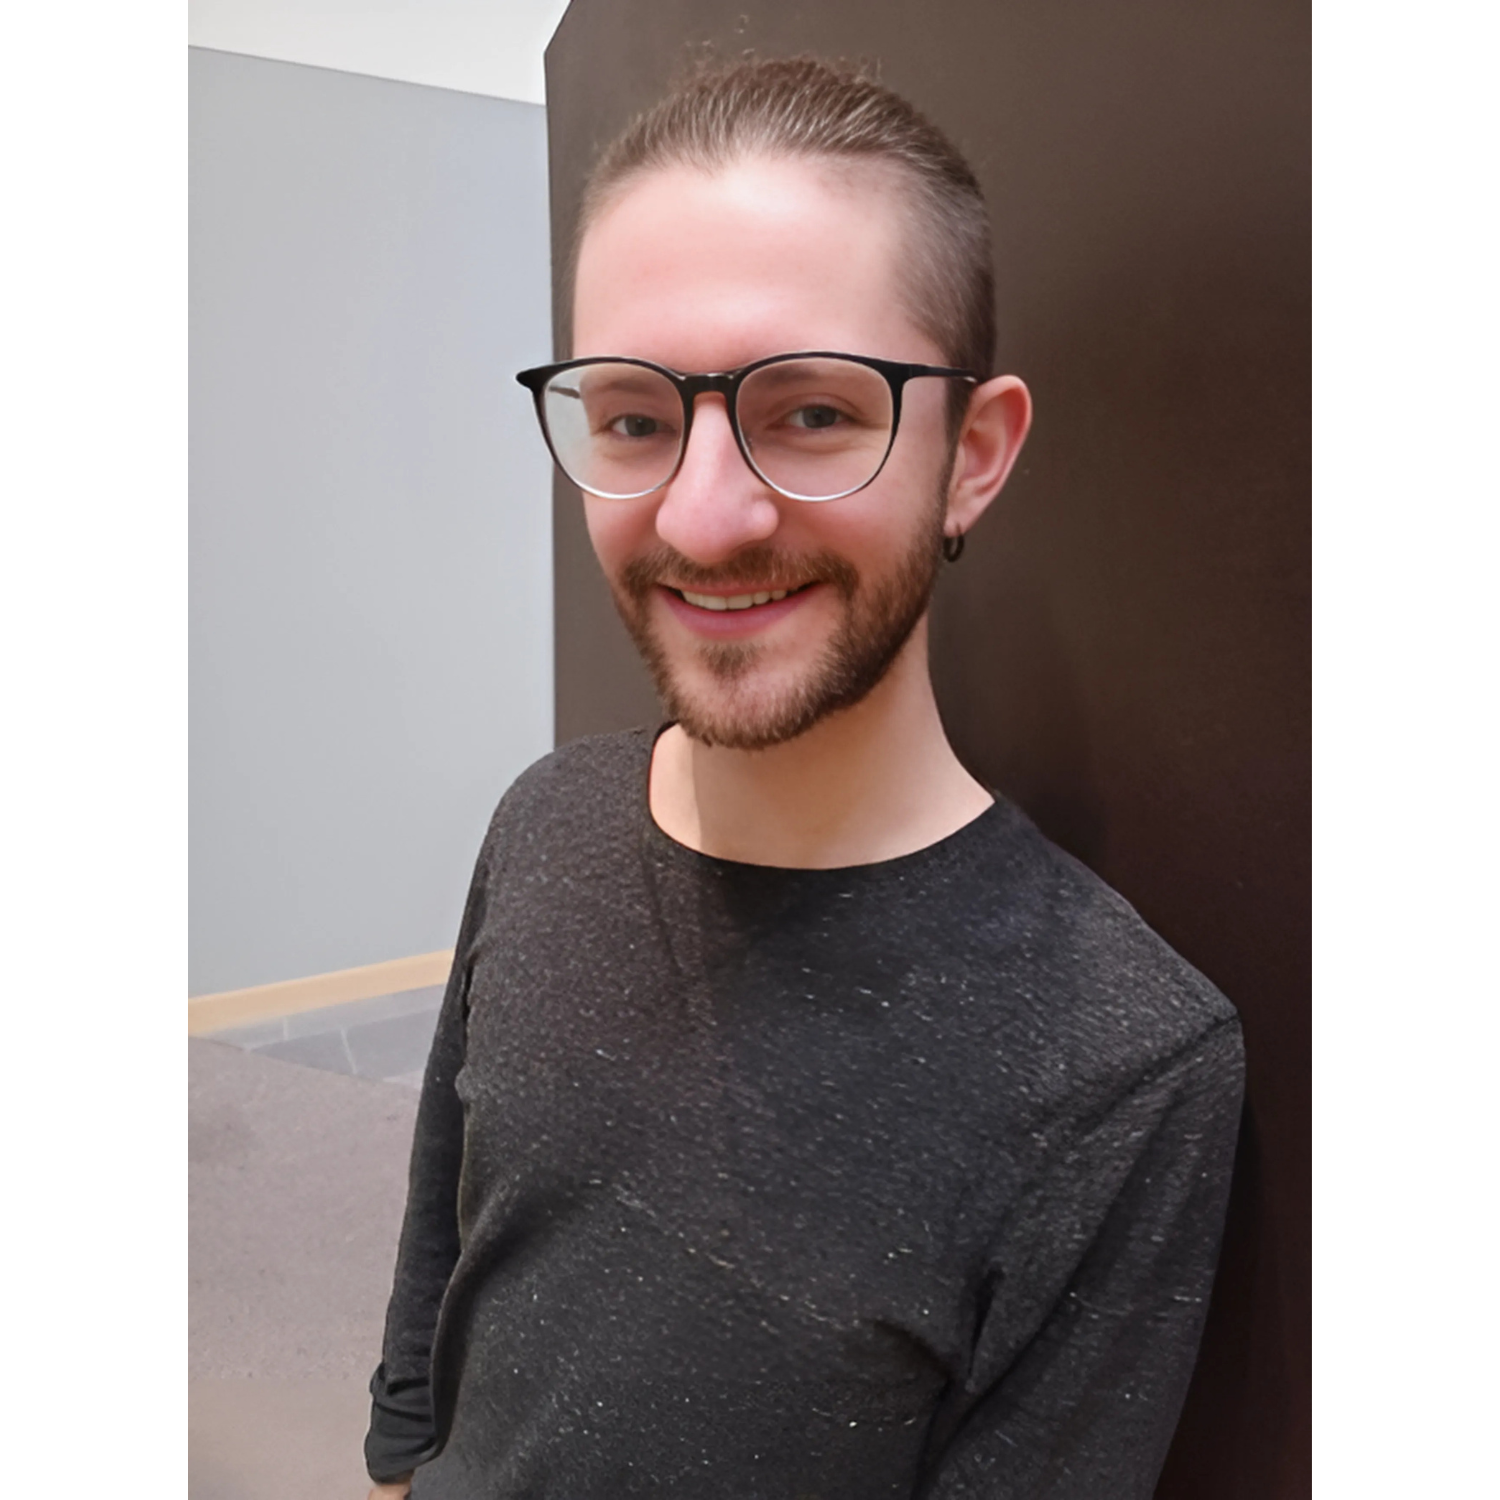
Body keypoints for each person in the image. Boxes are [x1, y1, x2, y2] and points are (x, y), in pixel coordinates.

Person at [365, 56, 1243, 1500]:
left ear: (973, 455)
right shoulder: (544, 823)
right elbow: (441, 1283)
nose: (703, 521)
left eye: (815, 413)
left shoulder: (1125, 1070)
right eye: (637, 420)